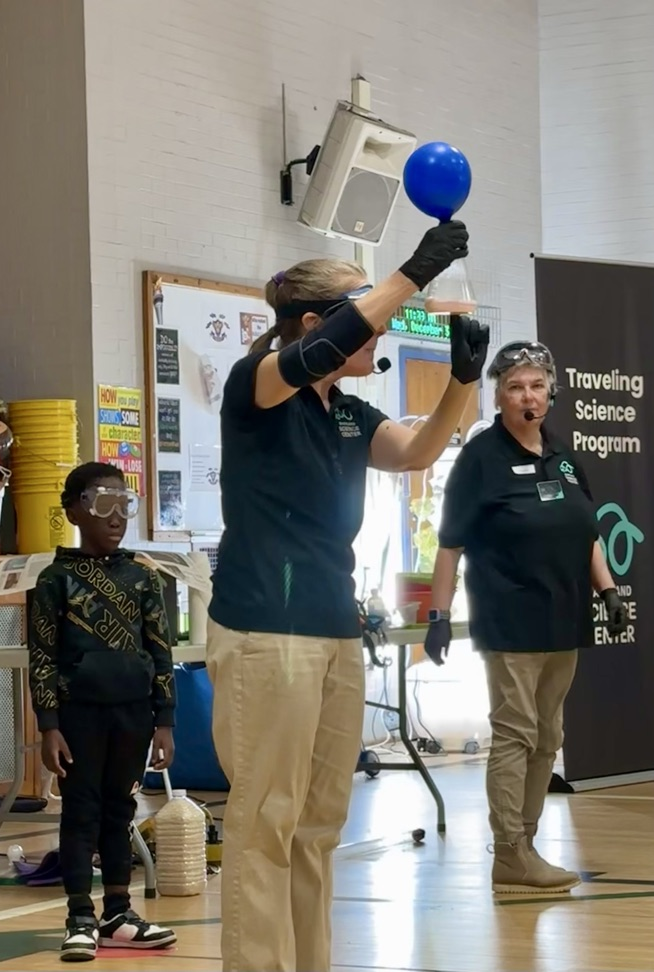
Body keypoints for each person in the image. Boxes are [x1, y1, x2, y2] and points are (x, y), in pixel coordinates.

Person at [205, 220, 490, 972]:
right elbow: (312, 356)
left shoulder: (350, 414)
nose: (382, 333)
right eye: (369, 318)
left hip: (332, 630)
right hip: (267, 628)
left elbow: (422, 450)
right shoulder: (258, 383)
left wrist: (464, 380)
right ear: (313, 325)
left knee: (318, 824)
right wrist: (408, 275)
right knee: (266, 818)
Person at [424, 341, 627, 894]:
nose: (527, 396)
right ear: (498, 395)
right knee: (516, 732)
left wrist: (606, 589)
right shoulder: (480, 457)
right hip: (508, 614)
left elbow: (585, 529)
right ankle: (509, 849)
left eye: (536, 385)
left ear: (551, 391)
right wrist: (438, 613)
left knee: (548, 735)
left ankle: (528, 842)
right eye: (515, 387)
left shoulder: (561, 454)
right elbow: (449, 544)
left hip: (564, 616)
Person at [28, 462, 178, 962]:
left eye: (125, 505)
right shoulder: (55, 579)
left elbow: (160, 650)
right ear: (74, 509)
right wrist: (48, 726)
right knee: (81, 812)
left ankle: (119, 911)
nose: (116, 517)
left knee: (121, 811)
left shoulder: (143, 578)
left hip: (133, 713)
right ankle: (78, 916)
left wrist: (165, 720)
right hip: (79, 717)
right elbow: (42, 657)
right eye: (102, 504)